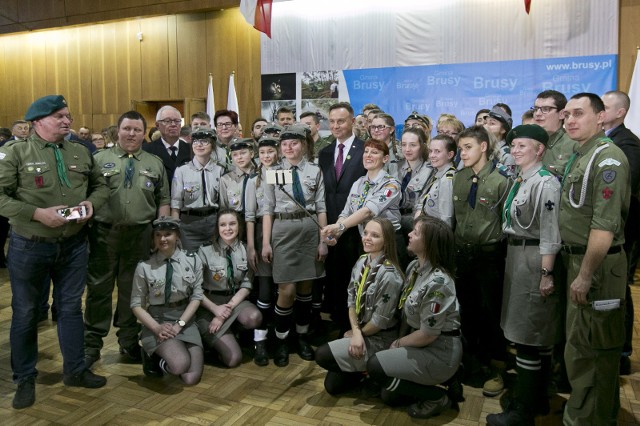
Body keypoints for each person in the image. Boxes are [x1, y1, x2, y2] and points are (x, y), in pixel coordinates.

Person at [0, 95, 109, 409]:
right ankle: (24, 378)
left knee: (71, 309)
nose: (67, 121)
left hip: (73, 245)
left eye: (68, 115)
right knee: (25, 313)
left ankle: (75, 370)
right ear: (37, 122)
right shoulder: (16, 153)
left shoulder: (80, 151)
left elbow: (100, 187)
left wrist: (92, 203)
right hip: (30, 246)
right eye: (59, 116)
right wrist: (37, 214)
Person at [559, 93, 629, 425]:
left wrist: (585, 274)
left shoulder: (608, 159)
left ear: (600, 118)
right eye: (567, 114)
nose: (569, 120)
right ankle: (581, 412)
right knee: (579, 347)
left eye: (578, 113)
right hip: (577, 261)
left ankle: (596, 419)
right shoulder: (580, 153)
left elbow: (604, 226)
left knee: (599, 349)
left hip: (598, 267)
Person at [486, 124, 562, 425]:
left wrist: (546, 273)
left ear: (539, 149)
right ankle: (538, 397)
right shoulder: (523, 179)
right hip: (518, 256)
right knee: (533, 332)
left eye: (522, 146)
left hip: (534, 260)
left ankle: (522, 411)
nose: (515, 150)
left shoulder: (546, 183)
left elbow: (550, 232)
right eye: (513, 145)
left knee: (530, 334)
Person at [84, 110, 171, 369]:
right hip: (104, 234)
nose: (131, 134)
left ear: (143, 133)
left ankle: (128, 340)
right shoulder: (98, 160)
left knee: (131, 291)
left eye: (136, 129)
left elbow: (163, 200)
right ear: (117, 131)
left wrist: (160, 233)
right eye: (126, 129)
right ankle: (92, 344)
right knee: (98, 290)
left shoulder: (154, 163)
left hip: (140, 235)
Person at [367, 216, 462, 419]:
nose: (409, 234)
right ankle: (436, 383)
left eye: (416, 232)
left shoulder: (439, 282)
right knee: (389, 395)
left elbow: (428, 335)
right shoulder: (414, 268)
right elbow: (405, 314)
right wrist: (398, 342)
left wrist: (399, 343)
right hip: (419, 343)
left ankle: (437, 396)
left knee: (376, 366)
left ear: (428, 243)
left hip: (438, 350)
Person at [452, 125, 510, 396]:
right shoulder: (460, 178)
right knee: (468, 311)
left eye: (468, 148)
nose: (462, 153)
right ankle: (473, 362)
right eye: (461, 148)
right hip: (462, 254)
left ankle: (497, 367)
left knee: (491, 312)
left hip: (489, 256)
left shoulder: (501, 180)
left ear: (483, 147)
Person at [263, 124, 328, 366]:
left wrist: (323, 241)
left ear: (305, 144)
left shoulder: (315, 170)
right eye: (285, 144)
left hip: (310, 232)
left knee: (305, 291)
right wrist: (266, 243)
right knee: (286, 291)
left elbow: (321, 207)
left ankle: (301, 337)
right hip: (283, 231)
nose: (289, 148)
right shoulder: (273, 171)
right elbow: (267, 209)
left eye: (295, 143)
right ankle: (281, 340)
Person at [315, 218, 404, 394]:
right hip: (361, 330)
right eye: (365, 233)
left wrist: (358, 334)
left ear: (386, 241)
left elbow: (379, 321)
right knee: (332, 386)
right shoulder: (362, 262)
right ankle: (365, 370)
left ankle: (376, 370)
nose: (367, 238)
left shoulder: (390, 276)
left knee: (322, 354)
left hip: (380, 337)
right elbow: (351, 300)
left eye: (375, 235)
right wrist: (355, 332)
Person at [131, 217, 204, 385]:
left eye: (168, 234)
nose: (162, 239)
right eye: (158, 235)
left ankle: (171, 351)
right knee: (179, 366)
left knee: (190, 378)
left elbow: (196, 296)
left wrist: (180, 324)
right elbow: (136, 304)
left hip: (185, 320)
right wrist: (156, 328)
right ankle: (153, 356)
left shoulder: (192, 260)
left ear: (177, 235)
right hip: (157, 320)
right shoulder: (144, 265)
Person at [317, 102, 366, 332]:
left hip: (355, 227)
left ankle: (352, 325)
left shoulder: (365, 150)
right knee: (333, 276)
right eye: (332, 121)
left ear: (353, 122)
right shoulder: (325, 153)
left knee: (352, 276)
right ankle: (336, 322)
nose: (335, 126)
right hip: (329, 225)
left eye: (341, 121)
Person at [601, 90, 640, 375]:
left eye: (604, 107)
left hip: (620, 232)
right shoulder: (602, 141)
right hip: (605, 230)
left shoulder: (628, 144)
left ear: (620, 112)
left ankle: (622, 351)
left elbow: (622, 188)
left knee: (618, 289)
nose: (599, 111)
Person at [322, 138, 405, 265]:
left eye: (375, 152)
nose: (368, 155)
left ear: (385, 158)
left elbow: (367, 212)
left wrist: (340, 227)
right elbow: (346, 213)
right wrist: (336, 233)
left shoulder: (391, 184)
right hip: (365, 242)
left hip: (388, 243)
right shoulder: (358, 182)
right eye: (366, 151)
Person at [196, 210, 261, 367]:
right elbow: (195, 289)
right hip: (210, 305)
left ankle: (231, 331)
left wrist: (224, 313)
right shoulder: (204, 251)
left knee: (254, 317)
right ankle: (211, 342)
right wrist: (216, 310)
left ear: (240, 226)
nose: (228, 229)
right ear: (217, 228)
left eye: (232, 224)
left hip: (235, 301)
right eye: (223, 225)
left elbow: (246, 285)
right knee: (233, 360)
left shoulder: (247, 250)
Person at [245, 135, 280, 365]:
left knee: (283, 290)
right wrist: (251, 246)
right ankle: (261, 340)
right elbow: (249, 216)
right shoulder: (253, 181)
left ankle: (281, 338)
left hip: (284, 230)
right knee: (265, 290)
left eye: (271, 151)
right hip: (260, 234)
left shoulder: (283, 175)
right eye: (263, 152)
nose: (266, 156)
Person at [170, 128, 224, 251]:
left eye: (204, 141)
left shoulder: (219, 170)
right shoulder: (182, 171)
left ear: (213, 145)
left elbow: (223, 203)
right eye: (195, 142)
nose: (199, 145)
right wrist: (175, 230)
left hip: (213, 223)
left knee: (214, 263)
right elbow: (176, 204)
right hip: (188, 225)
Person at [142, 105, 191, 186]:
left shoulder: (191, 149)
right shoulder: (147, 150)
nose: (173, 124)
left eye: (177, 121)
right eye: (168, 121)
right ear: (157, 125)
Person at [415, 134, 457, 227]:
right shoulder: (437, 172)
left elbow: (446, 217)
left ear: (450, 154)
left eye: (437, 151)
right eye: (430, 151)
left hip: (436, 231)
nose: (432, 155)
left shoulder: (447, 179)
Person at [397, 127, 433, 238]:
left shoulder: (430, 171)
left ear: (422, 146)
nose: (407, 149)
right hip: (393, 219)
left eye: (413, 145)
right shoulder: (394, 167)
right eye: (404, 145)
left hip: (413, 222)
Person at [533, 90, 578, 177]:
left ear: (562, 114)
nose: (537, 114)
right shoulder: (529, 143)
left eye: (545, 109)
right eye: (535, 109)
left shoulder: (573, 144)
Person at [219, 139, 256, 214]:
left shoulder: (261, 175)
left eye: (243, 153)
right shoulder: (226, 179)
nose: (239, 157)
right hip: (236, 220)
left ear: (251, 154)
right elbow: (223, 208)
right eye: (235, 154)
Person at [486, 106, 516, 177]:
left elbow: (508, 182)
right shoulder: (485, 149)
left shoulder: (508, 155)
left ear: (503, 130)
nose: (486, 127)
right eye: (486, 123)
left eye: (492, 124)